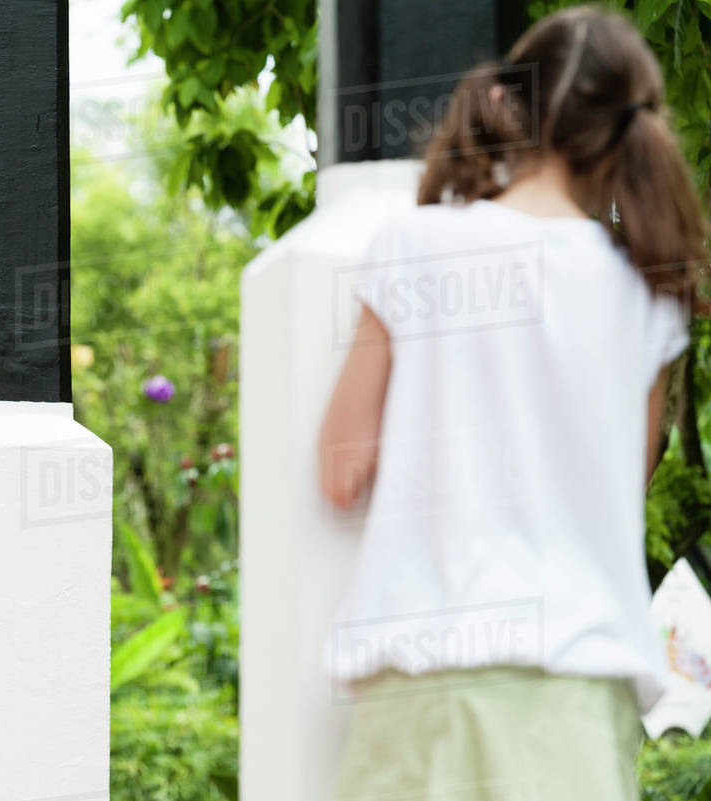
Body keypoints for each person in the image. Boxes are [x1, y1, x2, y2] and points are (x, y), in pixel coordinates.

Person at [318, 5, 707, 800]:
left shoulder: (415, 247)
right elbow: (620, 482)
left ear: (506, 103)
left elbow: (341, 467)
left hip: (419, 680)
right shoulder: (645, 296)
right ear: (626, 135)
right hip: (575, 687)